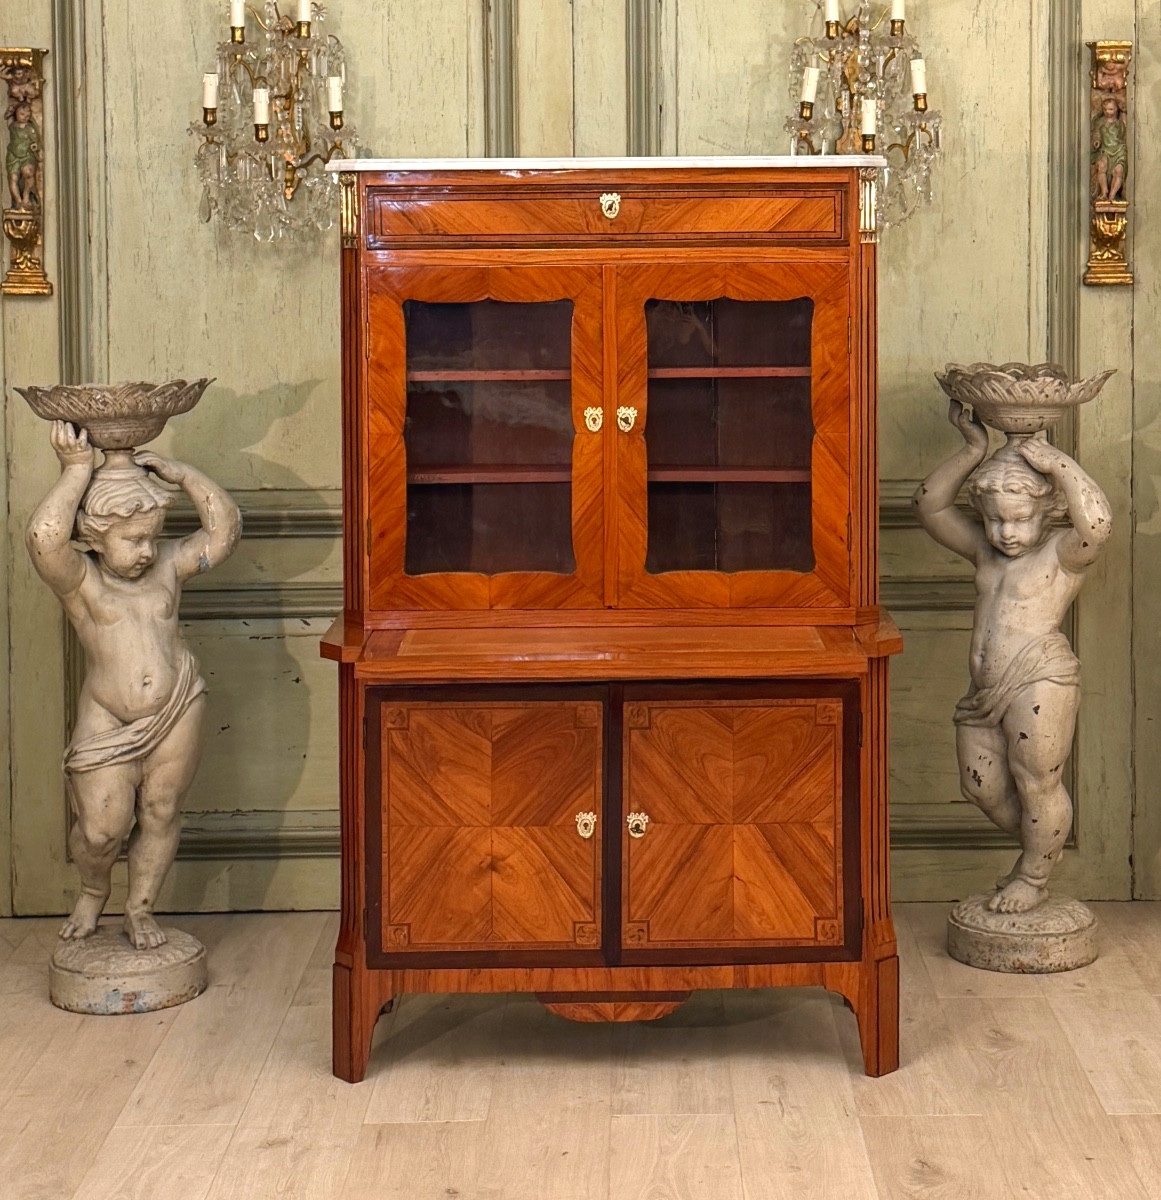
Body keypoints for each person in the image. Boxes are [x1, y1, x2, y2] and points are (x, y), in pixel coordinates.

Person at [26, 421, 241, 949]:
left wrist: (184, 474)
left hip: (178, 705)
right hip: (108, 715)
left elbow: (223, 533)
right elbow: (43, 540)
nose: (146, 549)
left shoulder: (167, 565)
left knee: (162, 811)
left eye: (152, 536)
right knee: (101, 830)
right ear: (96, 537)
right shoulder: (83, 581)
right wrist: (76, 472)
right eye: (132, 539)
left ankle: (140, 908)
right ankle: (93, 888)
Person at [913, 400, 1111, 913]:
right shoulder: (984, 550)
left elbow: (1097, 526)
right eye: (995, 520)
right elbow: (930, 506)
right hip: (984, 691)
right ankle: (1038, 843)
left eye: (1019, 520)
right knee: (982, 786)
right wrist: (972, 450)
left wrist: (1057, 464)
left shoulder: (1060, 555)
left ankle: (1033, 875)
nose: (1006, 532)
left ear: (1045, 513)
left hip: (1039, 677)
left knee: (1037, 780)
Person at [6, 100, 42, 209]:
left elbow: (36, 142)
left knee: (29, 173)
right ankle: (18, 200)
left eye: (27, 115)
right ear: (16, 113)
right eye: (22, 114)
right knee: (13, 179)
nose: (24, 117)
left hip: (26, 156)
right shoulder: (12, 125)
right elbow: (6, 116)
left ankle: (26, 196)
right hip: (13, 156)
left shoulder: (30, 129)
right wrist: (12, 108)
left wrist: (35, 146)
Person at [1091, 95, 1127, 203]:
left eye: (1110, 109)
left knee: (1118, 170)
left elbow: (1122, 136)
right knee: (1101, 166)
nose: (1108, 112)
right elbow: (1096, 134)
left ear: (1116, 109)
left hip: (1119, 151)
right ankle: (1104, 192)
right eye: (1105, 109)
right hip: (1105, 150)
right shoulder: (1100, 123)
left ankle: (1112, 195)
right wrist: (1096, 141)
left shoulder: (1120, 123)